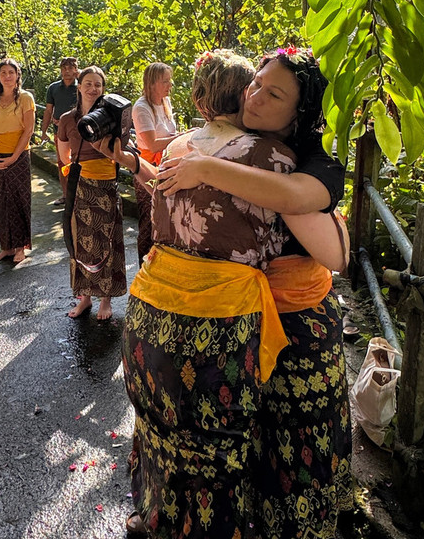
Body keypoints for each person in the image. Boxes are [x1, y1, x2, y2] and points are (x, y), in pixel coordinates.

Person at [157, 47, 353, 539]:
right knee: (255, 443)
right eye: (257, 82)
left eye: (275, 93)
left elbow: (330, 248)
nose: (256, 96)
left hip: (294, 321)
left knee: (295, 440)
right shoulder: (244, 146)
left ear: (300, 112)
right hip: (237, 322)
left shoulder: (306, 160)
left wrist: (205, 169)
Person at [106, 49, 296, 539]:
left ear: (199, 96)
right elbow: (274, 244)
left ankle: (154, 518)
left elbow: (156, 220)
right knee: (216, 445)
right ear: (245, 95)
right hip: (215, 323)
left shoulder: (177, 149)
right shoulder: (269, 158)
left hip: (150, 311)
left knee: (155, 430)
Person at [56, 65, 126, 321]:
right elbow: (64, 155)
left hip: (107, 183)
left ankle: (105, 300)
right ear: (79, 87)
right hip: (80, 183)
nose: (93, 88)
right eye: (88, 83)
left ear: (103, 89)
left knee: (107, 239)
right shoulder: (67, 119)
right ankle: (84, 297)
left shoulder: (113, 118)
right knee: (81, 240)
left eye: (98, 84)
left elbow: (122, 152)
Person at [0, 58, 35, 263]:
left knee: (20, 200)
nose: (7, 76)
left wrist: (14, 156)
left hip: (19, 155)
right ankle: (6, 247)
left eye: (10, 72)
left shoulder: (25, 98)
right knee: (2, 201)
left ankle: (21, 247)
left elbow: (28, 130)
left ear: (17, 75)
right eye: (3, 72)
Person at [130, 62, 178, 265]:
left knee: (165, 220)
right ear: (152, 84)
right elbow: (152, 144)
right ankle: (144, 266)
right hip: (148, 167)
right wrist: (183, 137)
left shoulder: (165, 103)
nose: (170, 85)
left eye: (169, 80)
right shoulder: (142, 107)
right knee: (148, 221)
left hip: (166, 166)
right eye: (165, 81)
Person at [39, 56, 80, 205]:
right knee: (63, 164)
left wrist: (66, 119)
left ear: (76, 69)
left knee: (80, 163)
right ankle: (66, 195)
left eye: (70, 68)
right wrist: (43, 131)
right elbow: (48, 111)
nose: (67, 71)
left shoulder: (82, 86)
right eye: (64, 68)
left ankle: (79, 196)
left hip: (78, 133)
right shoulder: (53, 88)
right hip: (59, 133)